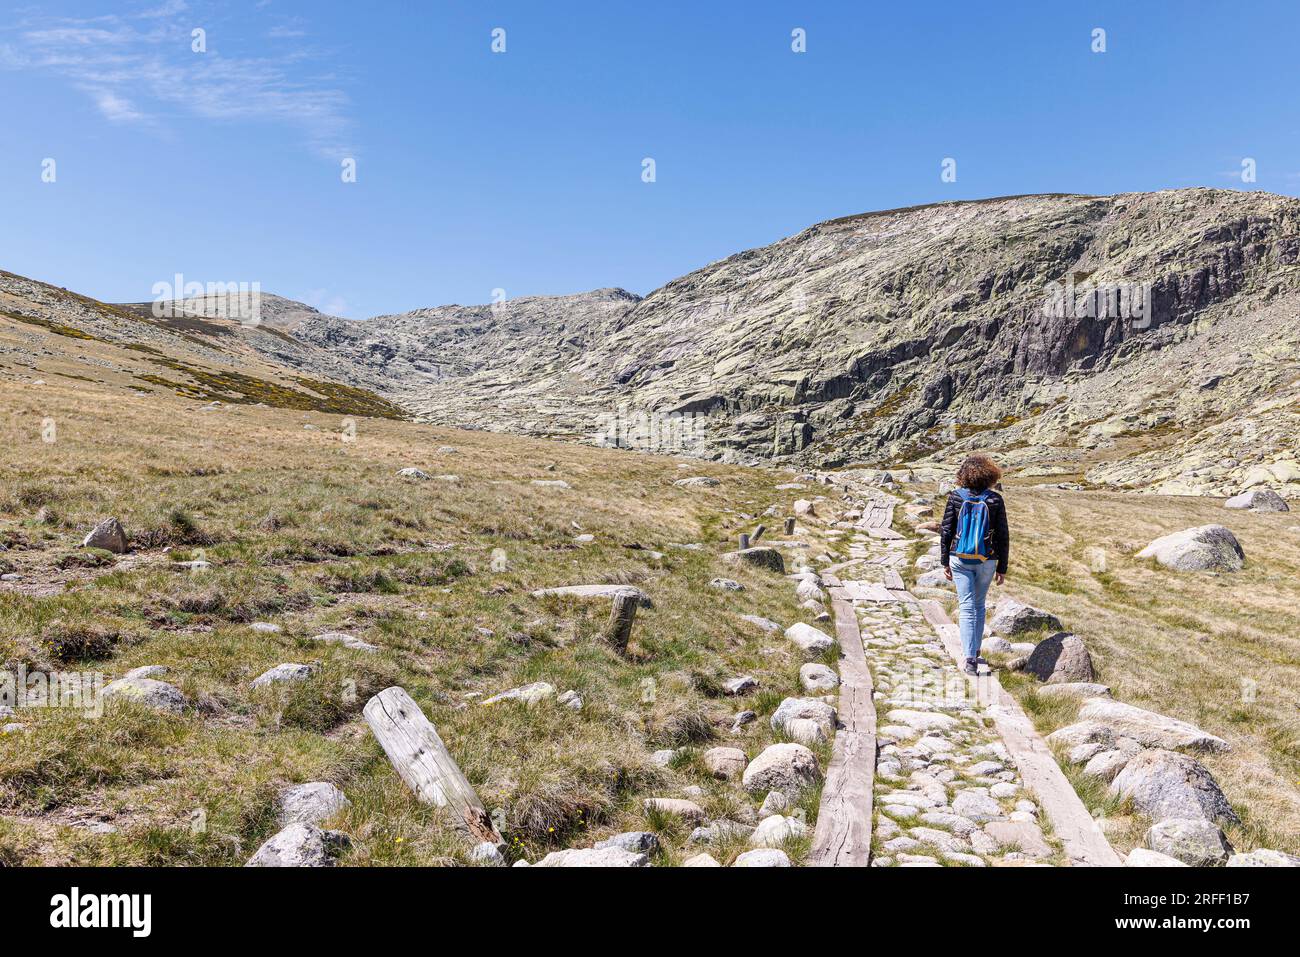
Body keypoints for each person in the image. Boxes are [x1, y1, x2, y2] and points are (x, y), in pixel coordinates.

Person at [939, 453, 1010, 675]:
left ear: (963, 475)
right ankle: (975, 650)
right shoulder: (995, 499)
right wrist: (1002, 567)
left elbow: (946, 530)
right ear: (990, 475)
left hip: (959, 557)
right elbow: (1002, 535)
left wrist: (944, 561)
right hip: (987, 559)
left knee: (966, 606)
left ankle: (969, 658)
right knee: (979, 605)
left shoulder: (955, 497)